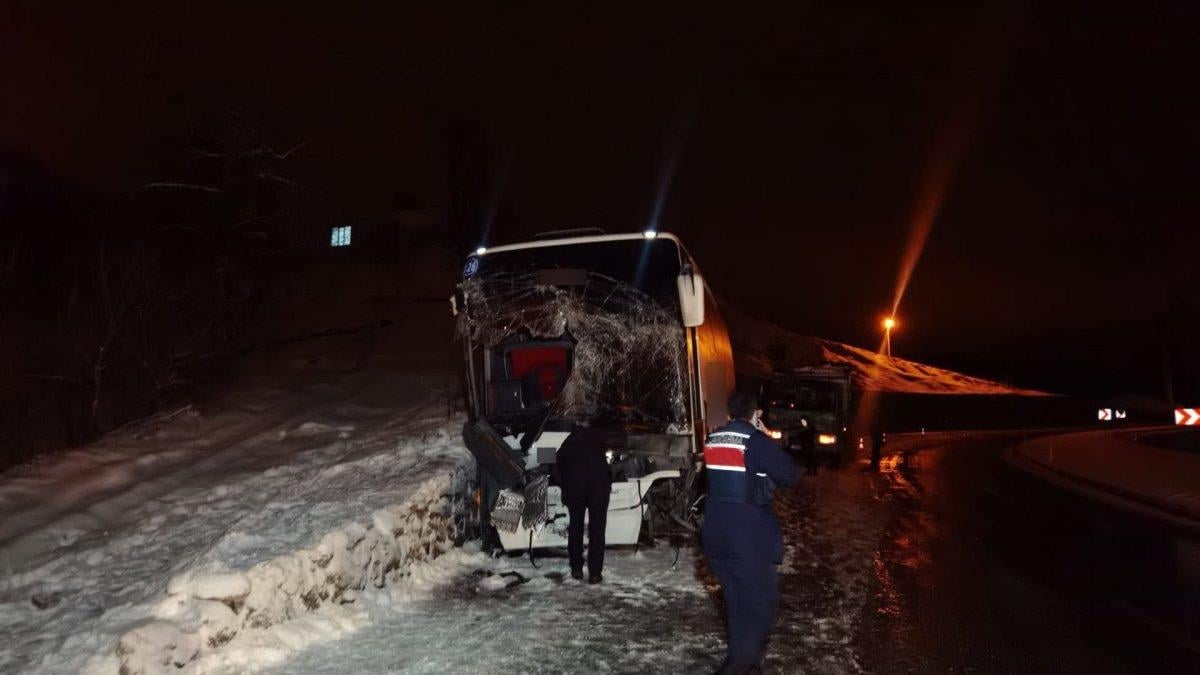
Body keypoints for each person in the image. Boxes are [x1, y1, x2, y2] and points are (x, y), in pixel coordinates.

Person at [703, 391, 798, 674]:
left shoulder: (712, 439)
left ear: (730, 413)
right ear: (756, 414)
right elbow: (788, 475)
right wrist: (767, 436)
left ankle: (749, 667)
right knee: (758, 612)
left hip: (718, 539)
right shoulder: (756, 442)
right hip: (750, 544)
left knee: (738, 609)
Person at [555, 423, 612, 583]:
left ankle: (576, 569)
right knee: (597, 529)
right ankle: (594, 573)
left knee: (576, 527)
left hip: (575, 488)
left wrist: (564, 485)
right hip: (598, 486)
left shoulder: (567, 442)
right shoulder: (598, 437)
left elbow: (554, 466)